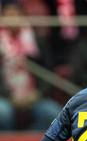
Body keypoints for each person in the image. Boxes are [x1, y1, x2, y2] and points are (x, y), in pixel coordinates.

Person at [0, 1, 61, 131]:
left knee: (53, 113)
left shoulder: (36, 40)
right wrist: (8, 95)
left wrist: (38, 93)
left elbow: (49, 72)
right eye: (8, 15)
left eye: (15, 15)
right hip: (5, 96)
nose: (12, 19)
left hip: (35, 96)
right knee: (2, 112)